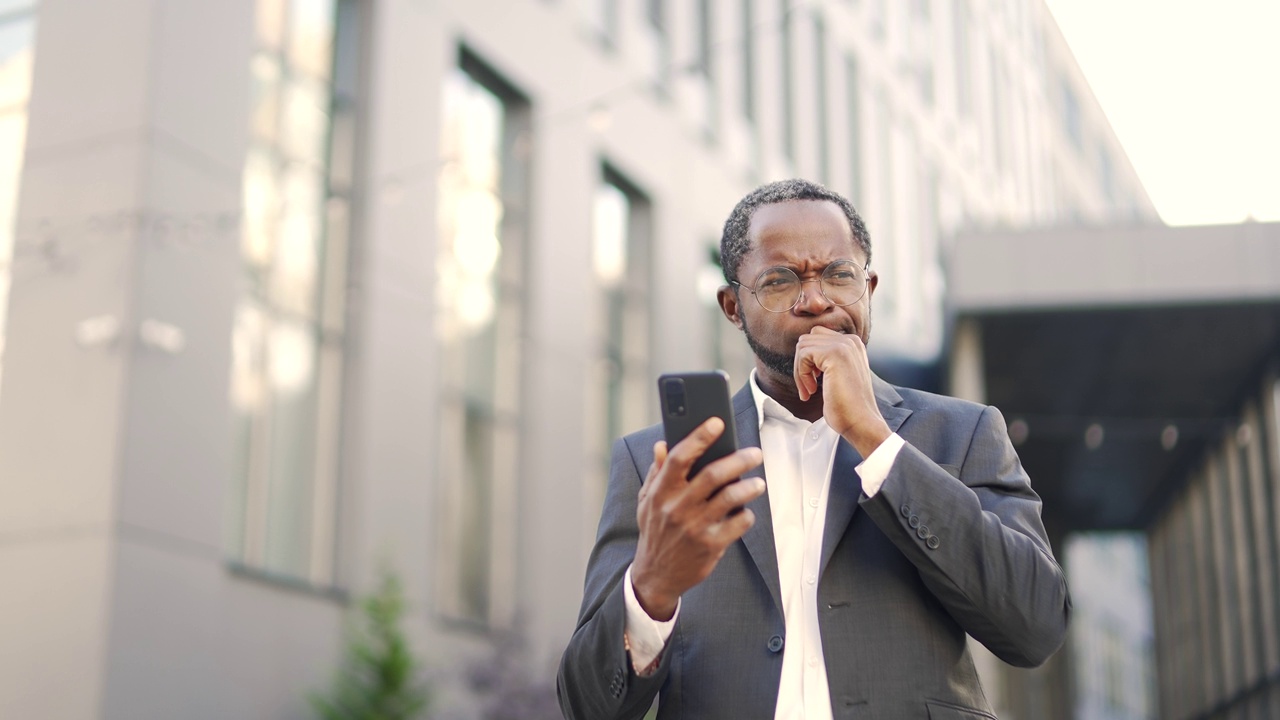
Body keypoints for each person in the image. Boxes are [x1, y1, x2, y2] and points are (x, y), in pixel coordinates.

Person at [557, 179, 1071, 720]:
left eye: (838, 274)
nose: (816, 299)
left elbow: (1035, 628)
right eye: (779, 281)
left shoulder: (962, 434)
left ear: (869, 287)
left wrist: (875, 438)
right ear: (733, 306)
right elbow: (587, 708)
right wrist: (651, 590)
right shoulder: (659, 465)